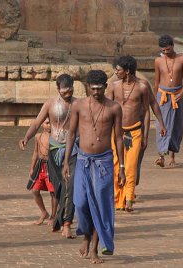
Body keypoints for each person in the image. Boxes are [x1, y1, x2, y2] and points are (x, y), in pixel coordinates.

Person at [62, 70, 126, 264]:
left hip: (104, 162)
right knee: (80, 203)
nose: (96, 92)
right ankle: (87, 237)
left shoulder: (114, 107)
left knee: (100, 205)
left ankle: (95, 249)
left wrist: (122, 166)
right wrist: (66, 161)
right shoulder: (78, 106)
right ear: (88, 87)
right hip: (82, 160)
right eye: (93, 88)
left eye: (100, 88)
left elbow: (119, 137)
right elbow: (71, 134)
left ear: (105, 87)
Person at [19, 74, 77, 238]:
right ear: (58, 89)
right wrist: (26, 138)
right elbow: (37, 123)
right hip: (53, 150)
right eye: (65, 90)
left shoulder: (78, 104)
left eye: (70, 89)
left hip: (72, 150)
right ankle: (57, 217)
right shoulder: (50, 104)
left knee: (70, 185)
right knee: (57, 188)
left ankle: (67, 224)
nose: (68, 93)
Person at [107, 55, 166, 212]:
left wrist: (146, 135)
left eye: (118, 70)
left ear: (127, 71)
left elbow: (147, 111)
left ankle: (129, 199)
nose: (116, 72)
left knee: (131, 167)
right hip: (116, 132)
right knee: (116, 166)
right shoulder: (113, 86)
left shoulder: (142, 86)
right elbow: (106, 109)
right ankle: (117, 200)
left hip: (134, 132)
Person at [154, 34, 183, 167]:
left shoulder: (182, 59)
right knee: (162, 124)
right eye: (163, 50)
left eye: (168, 50)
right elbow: (156, 81)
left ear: (173, 46)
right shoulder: (158, 61)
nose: (165, 52)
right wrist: (154, 100)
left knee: (175, 125)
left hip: (177, 94)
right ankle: (161, 156)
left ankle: (172, 156)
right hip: (162, 96)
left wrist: (182, 92)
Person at [27, 118, 58, 225]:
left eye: (51, 123)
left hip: (52, 167)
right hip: (40, 166)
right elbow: (36, 152)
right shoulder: (38, 136)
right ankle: (44, 212)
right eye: (47, 123)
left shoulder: (56, 137)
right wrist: (32, 167)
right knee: (35, 190)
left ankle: (53, 216)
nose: (49, 125)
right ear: (42, 124)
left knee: (53, 192)